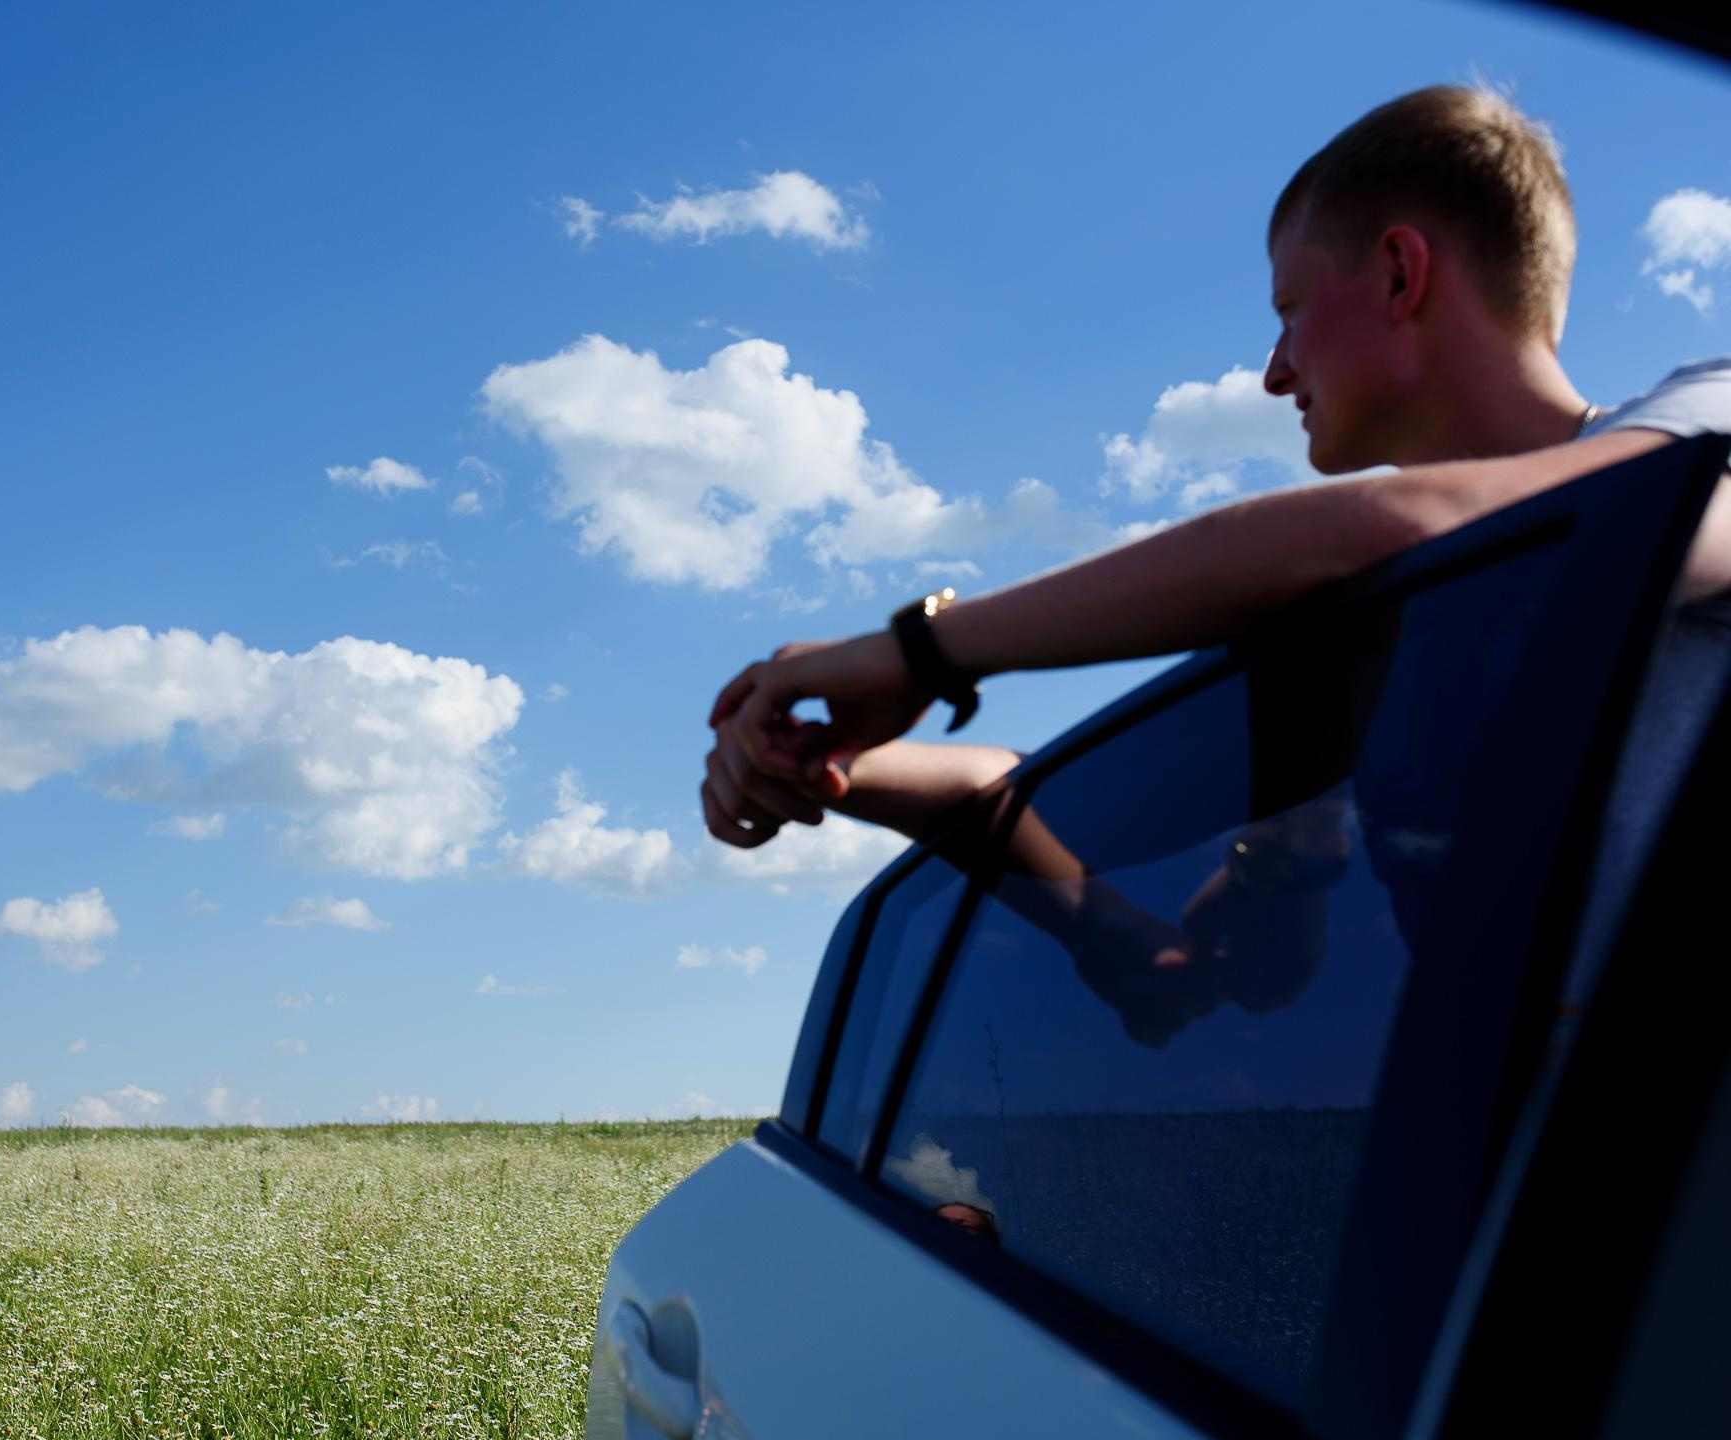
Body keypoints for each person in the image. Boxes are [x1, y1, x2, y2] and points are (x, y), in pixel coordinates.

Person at [703, 87, 1731, 959]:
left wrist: (922, 649)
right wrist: (813, 761)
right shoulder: (1378, 617)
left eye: (1287, 311)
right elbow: (1051, 802)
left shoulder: (1707, 420)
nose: (1274, 370)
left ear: (1397, 273)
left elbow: (1447, 524)